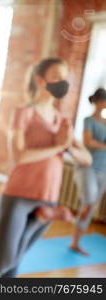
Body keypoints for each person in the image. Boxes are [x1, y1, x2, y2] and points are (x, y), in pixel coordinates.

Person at [0, 58, 92, 278]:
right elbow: (18, 155)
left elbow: (86, 159)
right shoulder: (23, 112)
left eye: (65, 78)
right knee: (2, 263)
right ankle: (44, 217)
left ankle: (45, 216)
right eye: (57, 77)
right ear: (40, 80)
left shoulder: (63, 120)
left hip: (49, 196)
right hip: (19, 192)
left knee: (12, 266)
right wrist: (59, 146)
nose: (62, 83)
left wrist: (69, 148)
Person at [70, 88, 106, 256]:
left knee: (91, 206)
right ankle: (70, 217)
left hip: (103, 169)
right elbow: (88, 141)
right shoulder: (88, 120)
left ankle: (75, 243)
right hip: (88, 166)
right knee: (89, 199)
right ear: (98, 101)